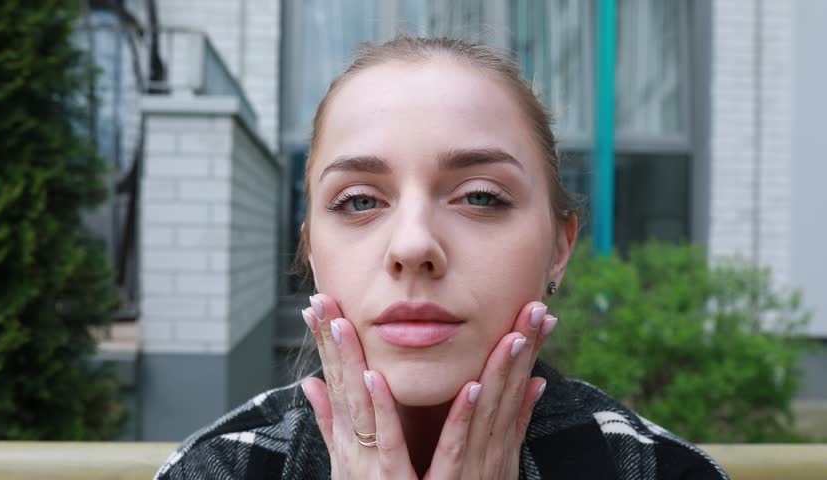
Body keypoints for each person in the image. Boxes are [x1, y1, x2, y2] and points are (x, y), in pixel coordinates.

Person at [154, 36, 728, 480]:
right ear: (312, 249)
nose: (413, 246)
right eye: (359, 201)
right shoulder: (218, 469)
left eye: (480, 196)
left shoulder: (661, 472)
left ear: (560, 248)